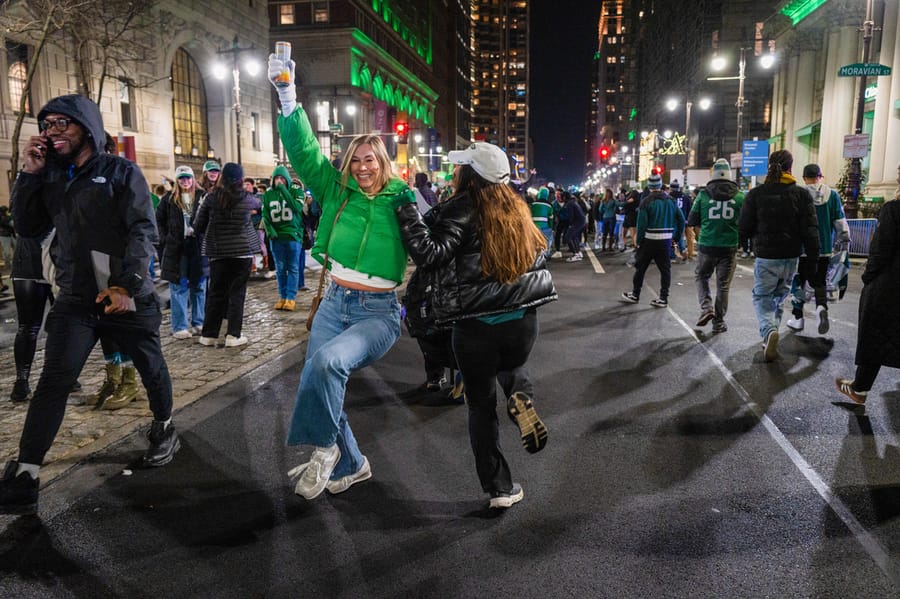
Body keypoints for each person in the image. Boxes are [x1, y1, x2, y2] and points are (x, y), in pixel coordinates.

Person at [1, 94, 179, 515]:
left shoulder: (121, 172)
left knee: (150, 365)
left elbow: (142, 230)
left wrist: (126, 284)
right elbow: (26, 227)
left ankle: (164, 426)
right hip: (77, 299)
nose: (52, 130)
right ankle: (26, 473)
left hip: (123, 295)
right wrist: (28, 175)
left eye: (63, 123)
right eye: (47, 124)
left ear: (87, 128)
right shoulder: (50, 177)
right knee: (54, 380)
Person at [269, 52, 415, 499]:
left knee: (330, 365)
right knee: (319, 379)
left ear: (383, 161)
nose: (363, 167)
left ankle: (325, 451)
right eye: (356, 160)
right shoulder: (336, 190)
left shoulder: (402, 198)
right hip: (334, 302)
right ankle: (351, 463)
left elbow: (438, 241)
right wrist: (287, 94)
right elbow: (305, 152)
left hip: (377, 313)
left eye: (371, 159)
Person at [395, 142, 557, 509]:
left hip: (474, 326)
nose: (454, 173)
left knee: (480, 406)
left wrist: (406, 210)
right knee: (512, 365)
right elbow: (541, 251)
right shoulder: (518, 208)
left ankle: (499, 489)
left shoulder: (460, 210)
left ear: (469, 174)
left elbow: (429, 254)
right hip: (522, 323)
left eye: (459, 168)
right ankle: (521, 397)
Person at [738, 149, 819, 362]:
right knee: (779, 296)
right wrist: (813, 258)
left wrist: (745, 244)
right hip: (791, 256)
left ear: (769, 166)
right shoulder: (801, 194)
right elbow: (811, 229)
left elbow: (744, 226)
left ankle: (768, 331)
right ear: (791, 168)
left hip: (766, 255)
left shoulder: (756, 194)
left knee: (762, 296)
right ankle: (769, 337)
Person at [836, 164, 900, 404]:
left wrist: (868, 276)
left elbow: (881, 250)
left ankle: (860, 388)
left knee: (875, 333)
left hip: (890, 284)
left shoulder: (894, 210)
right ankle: (859, 387)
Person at [192, 163, 261, 348]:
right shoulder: (247, 198)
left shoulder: (211, 198)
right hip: (242, 253)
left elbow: (198, 226)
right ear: (240, 179)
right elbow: (258, 205)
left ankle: (209, 335)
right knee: (237, 294)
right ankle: (233, 335)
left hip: (218, 253)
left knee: (216, 293)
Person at [786, 163, 850, 335]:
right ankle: (821, 307)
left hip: (803, 250)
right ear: (820, 176)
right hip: (824, 250)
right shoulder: (833, 195)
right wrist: (843, 244)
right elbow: (841, 225)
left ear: (805, 178)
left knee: (798, 281)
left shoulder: (798, 195)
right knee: (819, 281)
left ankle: (798, 318)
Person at [688, 159, 745, 333]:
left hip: (707, 244)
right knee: (723, 285)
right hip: (729, 247)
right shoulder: (740, 196)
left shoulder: (703, 195)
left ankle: (706, 308)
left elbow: (692, 220)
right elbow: (746, 223)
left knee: (701, 276)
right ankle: (719, 322)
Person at [156, 165, 208, 339]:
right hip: (176, 248)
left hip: (197, 247)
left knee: (199, 286)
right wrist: (165, 239)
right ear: (177, 180)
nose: (185, 181)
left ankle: (198, 322)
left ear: (193, 179)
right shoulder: (168, 200)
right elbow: (159, 221)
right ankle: (179, 326)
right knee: (178, 286)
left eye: (188, 178)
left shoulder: (202, 197)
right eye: (182, 178)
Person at [621, 172, 684, 308]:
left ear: (650, 186)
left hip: (649, 240)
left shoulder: (646, 202)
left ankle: (635, 294)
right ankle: (663, 298)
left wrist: (638, 241)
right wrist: (676, 238)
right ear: (661, 186)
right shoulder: (671, 201)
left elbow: (641, 224)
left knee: (640, 268)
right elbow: (681, 220)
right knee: (665, 270)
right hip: (666, 240)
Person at [262, 164, 305, 311]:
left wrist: (284, 191)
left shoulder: (296, 190)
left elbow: (297, 208)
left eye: (282, 178)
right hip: (276, 237)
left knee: (292, 267)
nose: (279, 181)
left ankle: (291, 298)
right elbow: (265, 215)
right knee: (280, 268)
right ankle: (282, 295)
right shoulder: (268, 194)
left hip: (293, 235)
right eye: (276, 178)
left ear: (287, 179)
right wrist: (270, 231)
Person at [530, 186, 554, 259]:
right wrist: (551, 227)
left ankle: (533, 254)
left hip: (534, 227)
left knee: (533, 241)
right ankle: (546, 254)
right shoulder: (549, 205)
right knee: (548, 240)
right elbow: (551, 219)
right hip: (545, 227)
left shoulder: (533, 204)